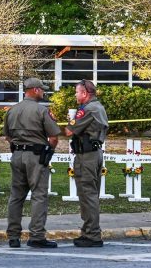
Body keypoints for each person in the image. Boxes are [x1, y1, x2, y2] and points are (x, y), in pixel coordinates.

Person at [4, 77, 61, 248]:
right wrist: (48, 151)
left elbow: (7, 136)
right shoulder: (41, 111)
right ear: (35, 90)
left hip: (17, 155)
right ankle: (36, 235)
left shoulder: (12, 111)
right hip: (36, 156)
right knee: (38, 195)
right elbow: (54, 137)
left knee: (16, 196)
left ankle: (13, 236)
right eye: (42, 89)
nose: (43, 92)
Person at [64, 79, 108, 248]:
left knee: (87, 195)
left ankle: (92, 234)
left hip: (86, 156)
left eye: (76, 92)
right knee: (91, 194)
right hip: (94, 153)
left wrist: (72, 120)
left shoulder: (88, 109)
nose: (75, 95)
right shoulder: (98, 107)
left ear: (84, 93)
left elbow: (69, 131)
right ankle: (90, 231)